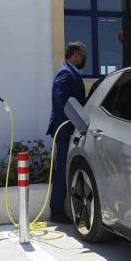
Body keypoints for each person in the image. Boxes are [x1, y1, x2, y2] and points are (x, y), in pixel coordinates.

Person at [47, 41, 88, 223]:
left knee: (66, 167)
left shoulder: (71, 71)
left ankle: (61, 209)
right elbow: (61, 101)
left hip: (68, 128)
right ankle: (56, 211)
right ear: (75, 55)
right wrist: (73, 123)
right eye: (82, 55)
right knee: (63, 168)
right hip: (65, 129)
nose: (84, 58)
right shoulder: (65, 72)